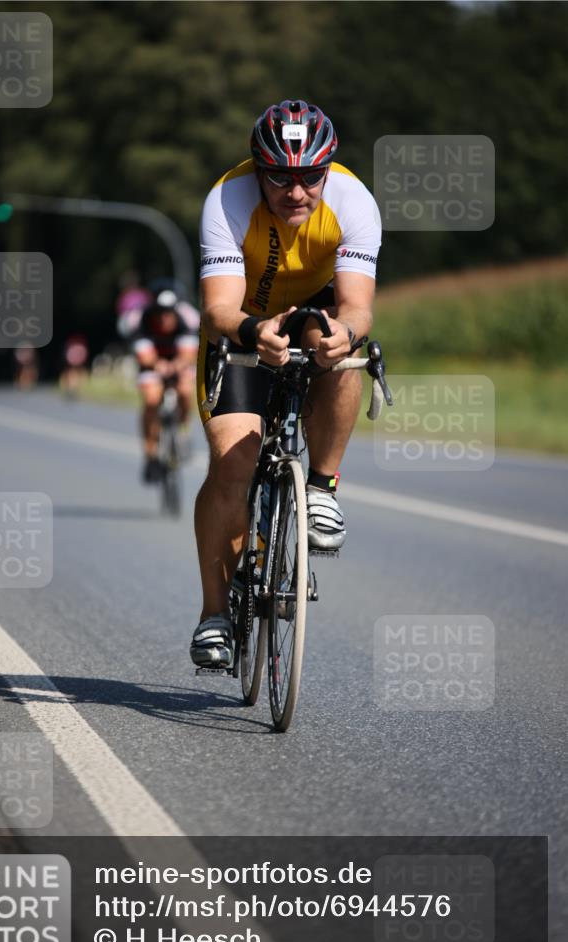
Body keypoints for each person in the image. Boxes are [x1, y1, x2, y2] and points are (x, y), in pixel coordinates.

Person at [190, 99, 382, 668]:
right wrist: (254, 331)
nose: (296, 193)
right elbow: (216, 309)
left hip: (314, 314)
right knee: (232, 461)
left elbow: (358, 307)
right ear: (256, 168)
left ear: (327, 171)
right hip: (243, 324)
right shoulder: (227, 199)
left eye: (309, 178)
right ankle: (213, 615)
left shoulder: (353, 202)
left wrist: (342, 332)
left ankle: (321, 488)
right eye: (280, 178)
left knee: (346, 352)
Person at [133, 289, 199, 483]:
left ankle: (183, 430)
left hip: (179, 360)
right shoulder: (141, 320)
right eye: (160, 313)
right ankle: (150, 455)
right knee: (151, 399)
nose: (164, 318)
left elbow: (189, 354)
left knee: (185, 390)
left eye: (168, 313)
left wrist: (176, 366)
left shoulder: (188, 317)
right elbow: (144, 356)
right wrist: (157, 365)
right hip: (152, 363)